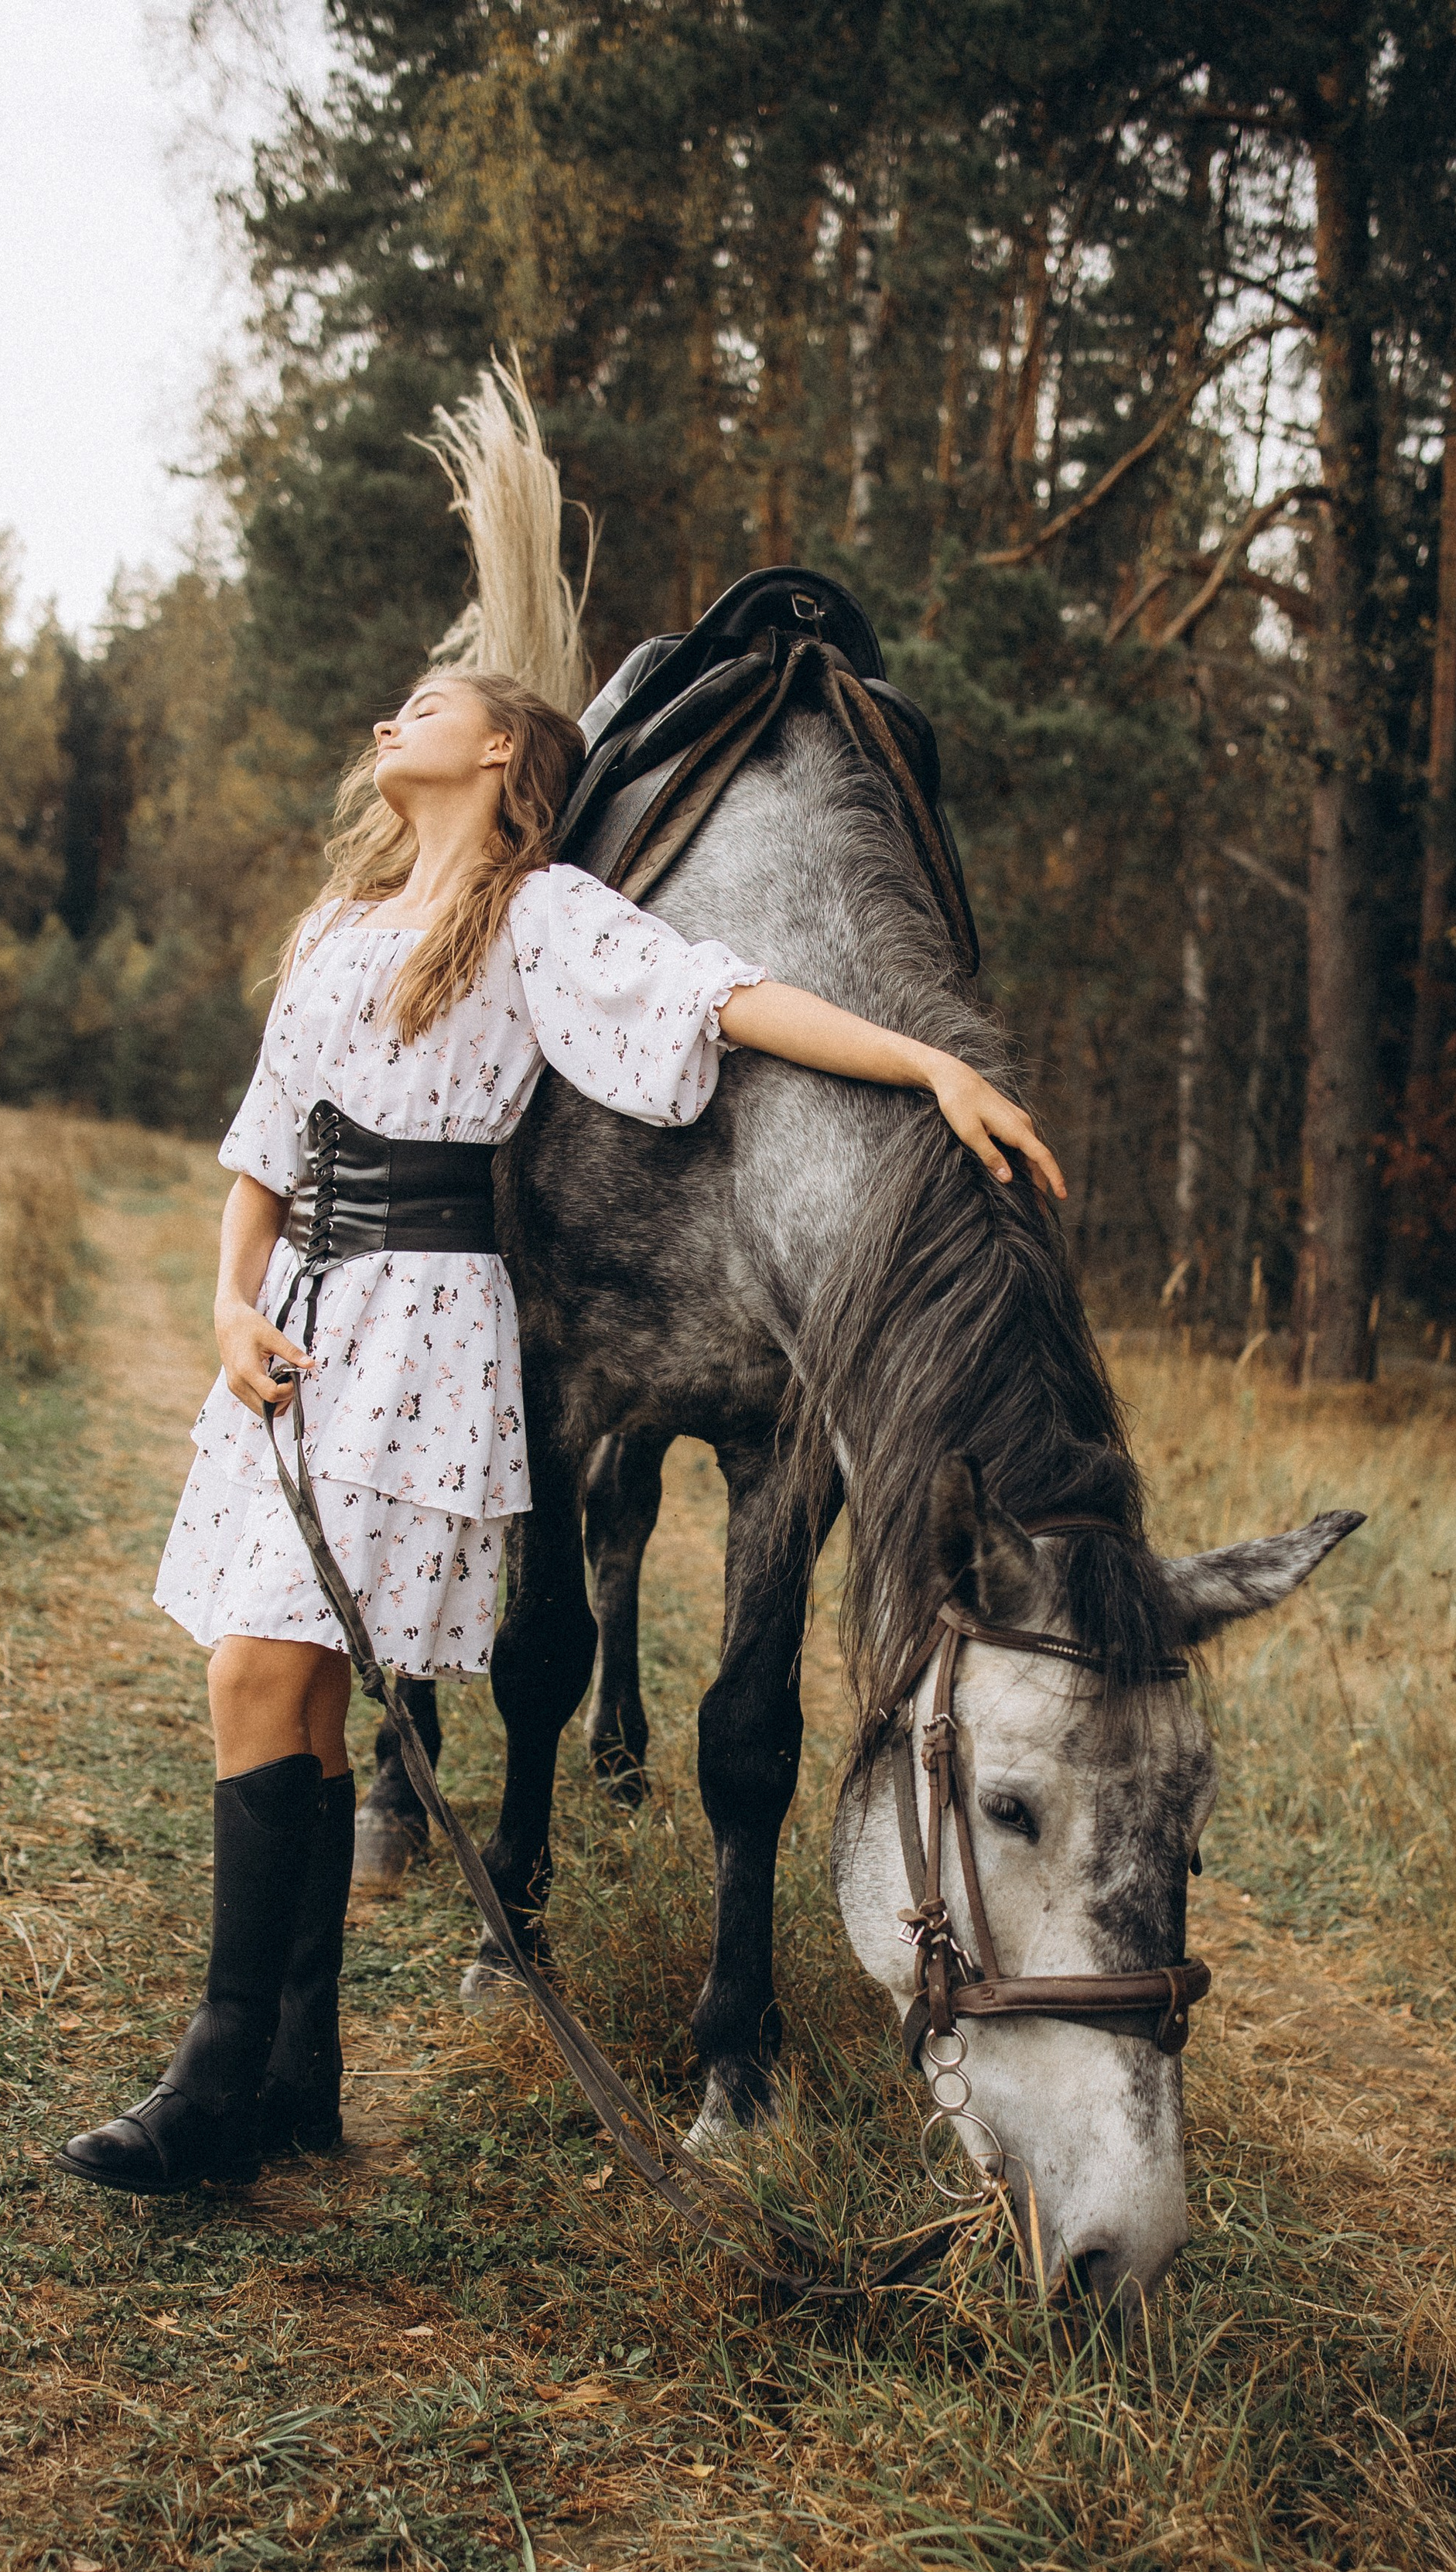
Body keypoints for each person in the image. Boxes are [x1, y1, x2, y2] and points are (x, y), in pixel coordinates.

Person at [56, 665, 1063, 2195]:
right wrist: (226, 1300)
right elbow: (267, 1139)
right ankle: (294, 2078)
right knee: (292, 1689)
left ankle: (213, 2077)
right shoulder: (334, 924)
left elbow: (726, 1002)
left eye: (424, 706)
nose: (387, 722)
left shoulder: (543, 919)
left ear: (501, 752)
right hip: (301, 1321)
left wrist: (929, 1062)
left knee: (259, 1670)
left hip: (424, 1327)